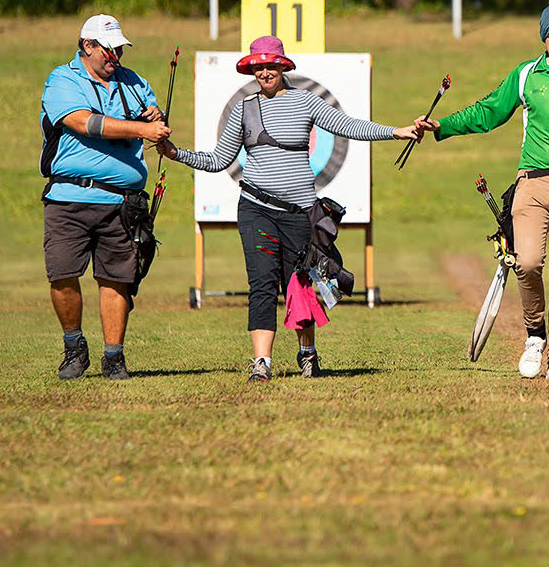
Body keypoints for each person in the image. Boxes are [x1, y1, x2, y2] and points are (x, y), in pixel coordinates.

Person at [155, 36, 420, 382]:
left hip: (299, 214)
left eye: (271, 65)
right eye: (258, 66)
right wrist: (176, 154)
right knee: (261, 283)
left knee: (299, 285)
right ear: (251, 69)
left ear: (282, 66)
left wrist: (396, 132)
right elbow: (219, 159)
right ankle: (261, 363)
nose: (264, 72)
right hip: (256, 210)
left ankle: (307, 353)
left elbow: (348, 125)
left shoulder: (305, 101)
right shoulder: (244, 108)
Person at [416, 1, 549, 386]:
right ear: (543, 38)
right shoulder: (526, 74)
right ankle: (534, 335)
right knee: (526, 263)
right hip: (532, 183)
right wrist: (443, 125)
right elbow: (490, 111)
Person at [40, 14, 171, 381]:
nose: (116, 57)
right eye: (109, 50)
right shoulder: (62, 80)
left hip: (122, 203)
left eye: (120, 50)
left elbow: (154, 121)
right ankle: (74, 346)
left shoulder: (135, 82)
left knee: (116, 279)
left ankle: (114, 357)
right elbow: (85, 123)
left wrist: (156, 116)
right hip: (69, 198)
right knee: (62, 275)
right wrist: (141, 128)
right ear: (88, 46)